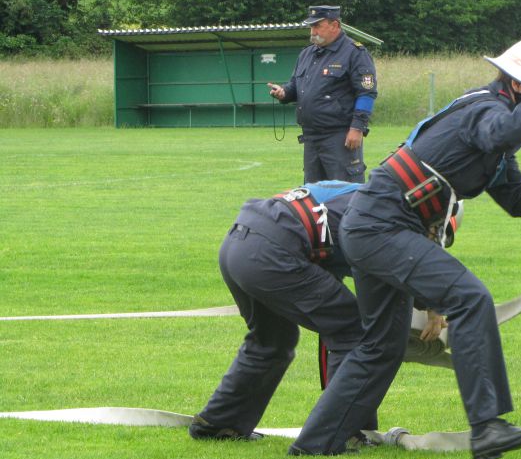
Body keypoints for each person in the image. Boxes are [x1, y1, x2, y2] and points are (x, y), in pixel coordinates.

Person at [289, 36, 521, 459]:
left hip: (374, 226)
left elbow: (516, 198)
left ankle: (315, 442)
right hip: (382, 225)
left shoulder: (491, 137)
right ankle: (488, 427)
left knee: (381, 346)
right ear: (518, 85)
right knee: (470, 297)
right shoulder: (485, 113)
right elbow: (504, 129)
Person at [188, 180, 449, 445]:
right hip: (274, 252)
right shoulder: (390, 217)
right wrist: (433, 303)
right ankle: (345, 432)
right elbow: (391, 277)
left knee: (272, 340)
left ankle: (220, 423)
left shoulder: (362, 193)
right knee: (352, 330)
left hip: (239, 242)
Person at [267, 5, 377, 183]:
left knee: (344, 195)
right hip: (311, 138)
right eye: (311, 27)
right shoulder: (306, 54)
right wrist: (284, 92)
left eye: (317, 26)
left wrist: (357, 128)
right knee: (313, 197)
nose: (312, 31)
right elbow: (296, 85)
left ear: (334, 25)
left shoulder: (354, 53)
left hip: (340, 138)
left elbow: (367, 93)